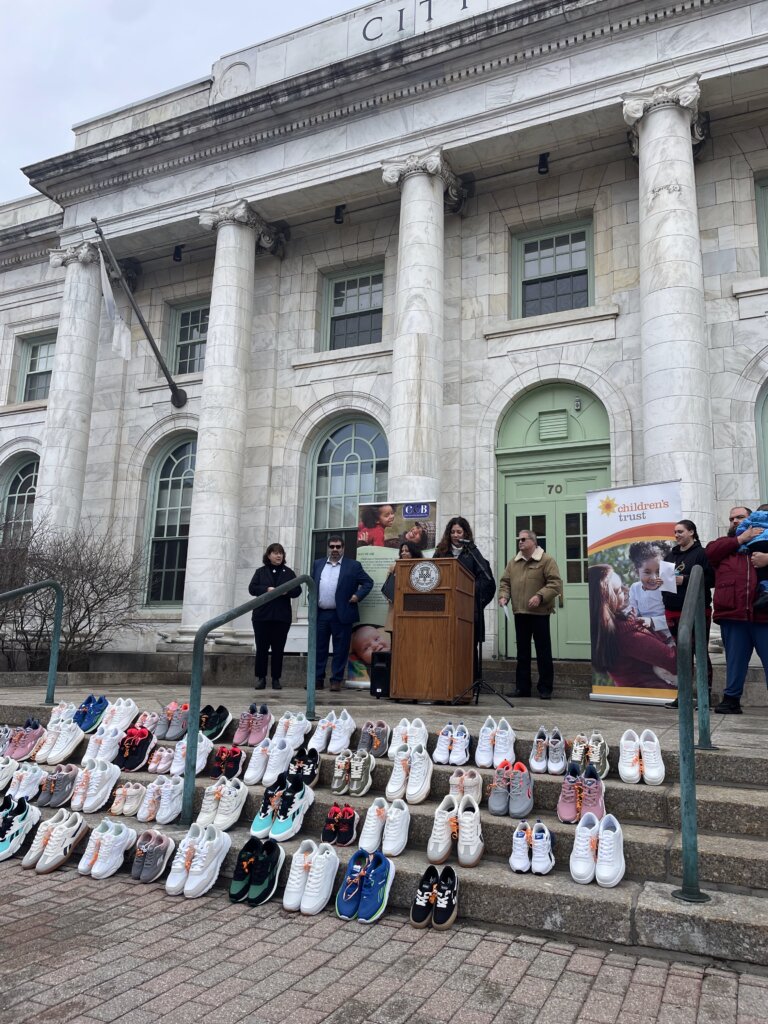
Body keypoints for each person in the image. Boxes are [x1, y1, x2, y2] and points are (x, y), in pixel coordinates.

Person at [705, 505, 768, 715]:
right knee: (734, 660)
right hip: (734, 615)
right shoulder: (725, 546)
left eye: (740, 517)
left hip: (764, 615)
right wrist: (741, 539)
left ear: (753, 519)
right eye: (731, 518)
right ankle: (731, 700)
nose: (734, 521)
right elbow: (709, 553)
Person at [588, 564, 678, 689]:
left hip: (630, 693)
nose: (626, 590)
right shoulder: (627, 633)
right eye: (619, 590)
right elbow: (674, 662)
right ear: (607, 599)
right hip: (656, 693)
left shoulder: (601, 630)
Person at [498, 529, 563, 699]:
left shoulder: (546, 560)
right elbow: (505, 582)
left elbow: (555, 583)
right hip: (520, 612)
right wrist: (504, 596)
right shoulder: (513, 562)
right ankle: (522, 688)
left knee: (543, 651)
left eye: (523, 539)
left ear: (533, 542)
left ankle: (545, 688)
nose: (520, 542)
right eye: (519, 539)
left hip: (540, 613)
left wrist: (540, 596)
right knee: (522, 653)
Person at [434, 517, 496, 681]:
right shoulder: (440, 552)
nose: (455, 535)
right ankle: (443, 682)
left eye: (459, 532)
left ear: (465, 533)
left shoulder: (473, 553)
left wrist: (468, 593)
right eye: (452, 532)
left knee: (467, 647)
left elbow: (487, 581)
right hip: (444, 609)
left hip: (466, 611)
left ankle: (470, 683)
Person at [310, 535, 374, 692]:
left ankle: (336, 680)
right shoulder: (318, 564)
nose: (335, 549)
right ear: (328, 548)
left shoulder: (353, 566)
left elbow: (368, 582)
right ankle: (317, 680)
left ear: (343, 548)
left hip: (342, 614)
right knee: (319, 648)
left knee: (340, 649)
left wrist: (357, 596)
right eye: (332, 546)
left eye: (338, 546)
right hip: (321, 614)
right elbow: (311, 585)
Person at [662, 520, 714, 709]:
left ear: (691, 532)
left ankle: (704, 697)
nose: (676, 535)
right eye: (675, 532)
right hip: (672, 610)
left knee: (699, 652)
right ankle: (682, 696)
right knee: (682, 654)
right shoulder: (670, 555)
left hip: (696, 611)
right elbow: (666, 580)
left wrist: (684, 580)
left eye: (680, 531)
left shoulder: (702, 553)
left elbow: (711, 579)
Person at [248, 543, 302, 691]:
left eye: (281, 553)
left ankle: (276, 679)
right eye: (275, 553)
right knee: (262, 648)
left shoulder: (289, 572)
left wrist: (287, 591)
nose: (279, 556)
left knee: (278, 649)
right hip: (262, 617)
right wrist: (267, 589)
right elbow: (252, 588)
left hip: (281, 617)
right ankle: (261, 678)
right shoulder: (260, 572)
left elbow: (298, 590)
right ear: (269, 555)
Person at [626, 541, 673, 642]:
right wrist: (631, 616)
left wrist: (652, 621)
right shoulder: (635, 588)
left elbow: (673, 618)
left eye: (658, 571)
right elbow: (633, 610)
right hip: (645, 633)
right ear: (637, 571)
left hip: (668, 636)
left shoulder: (667, 588)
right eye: (647, 572)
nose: (654, 578)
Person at [382, 540, 422, 631]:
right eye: (402, 551)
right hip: (396, 607)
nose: (403, 553)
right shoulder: (394, 567)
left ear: (414, 552)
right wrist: (389, 596)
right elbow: (388, 586)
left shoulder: (421, 567)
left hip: (414, 607)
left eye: (407, 551)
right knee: (395, 634)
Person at [734, 505, 768, 609]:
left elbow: (741, 531)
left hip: (754, 543)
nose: (734, 521)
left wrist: (742, 544)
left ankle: (764, 589)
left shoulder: (751, 518)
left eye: (740, 517)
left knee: (758, 570)